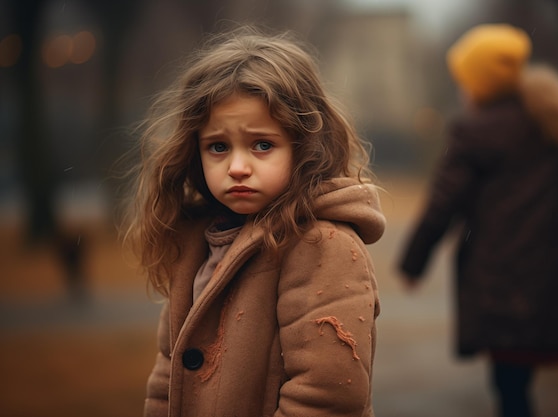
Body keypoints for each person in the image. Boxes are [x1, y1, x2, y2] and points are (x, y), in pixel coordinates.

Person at [122, 27, 386, 417]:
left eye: (262, 145)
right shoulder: (197, 241)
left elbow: (327, 397)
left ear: (303, 147)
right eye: (218, 147)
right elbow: (168, 377)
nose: (238, 167)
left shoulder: (322, 245)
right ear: (195, 151)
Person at [398, 23, 558, 417]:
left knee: (508, 382)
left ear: (481, 83)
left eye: (465, 80)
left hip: (495, 276)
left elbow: (442, 204)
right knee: (519, 377)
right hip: (544, 272)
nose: (461, 89)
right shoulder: (549, 122)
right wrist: (552, 242)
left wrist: (413, 264)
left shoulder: (472, 131)